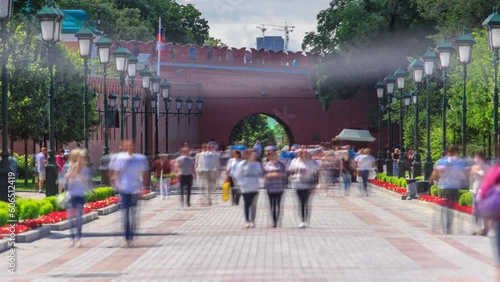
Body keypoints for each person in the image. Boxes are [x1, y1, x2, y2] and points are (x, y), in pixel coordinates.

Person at [109, 140, 149, 247]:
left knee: (134, 215)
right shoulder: (121, 158)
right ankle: (127, 238)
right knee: (126, 215)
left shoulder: (139, 158)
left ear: (134, 146)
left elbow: (145, 172)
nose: (129, 147)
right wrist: (117, 185)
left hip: (135, 189)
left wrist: (144, 187)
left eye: (131, 145)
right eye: (127, 145)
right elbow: (116, 173)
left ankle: (132, 234)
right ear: (124, 147)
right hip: (124, 189)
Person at [431, 145, 469, 234]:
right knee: (450, 206)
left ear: (447, 152)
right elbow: (462, 176)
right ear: (455, 152)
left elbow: (435, 173)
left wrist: (433, 179)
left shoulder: (440, 161)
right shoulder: (458, 162)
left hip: (443, 187)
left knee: (446, 205)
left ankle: (445, 223)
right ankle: (448, 226)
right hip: (454, 187)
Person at [64, 148, 93, 248]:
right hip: (71, 196)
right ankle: (72, 239)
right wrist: (71, 174)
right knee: (71, 218)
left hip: (80, 196)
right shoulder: (70, 167)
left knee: (78, 219)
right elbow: (66, 178)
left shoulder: (85, 169)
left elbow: (87, 182)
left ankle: (78, 239)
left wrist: (80, 178)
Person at [288, 149, 318, 228]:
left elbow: (315, 174)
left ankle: (305, 220)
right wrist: (290, 178)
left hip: (308, 185)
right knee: (300, 202)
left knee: (306, 202)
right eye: (302, 153)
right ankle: (302, 220)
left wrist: (314, 185)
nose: (304, 155)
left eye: (306, 153)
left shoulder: (311, 162)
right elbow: (290, 171)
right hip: (297, 184)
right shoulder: (295, 161)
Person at [234, 149, 262, 228]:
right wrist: (240, 184)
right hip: (245, 187)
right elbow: (237, 175)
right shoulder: (241, 164)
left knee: (253, 205)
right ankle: (247, 221)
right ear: (246, 155)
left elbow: (260, 174)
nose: (252, 156)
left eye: (253, 154)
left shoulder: (256, 164)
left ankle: (252, 221)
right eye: (250, 154)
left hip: (254, 187)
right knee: (246, 204)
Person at [262, 146, 286, 227]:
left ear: (276, 155)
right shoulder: (266, 165)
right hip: (270, 187)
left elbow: (285, 174)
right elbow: (263, 175)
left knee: (278, 204)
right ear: (268, 157)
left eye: (273, 155)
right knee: (272, 204)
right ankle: (274, 221)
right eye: (270, 155)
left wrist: (278, 174)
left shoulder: (281, 164)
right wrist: (269, 175)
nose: (272, 156)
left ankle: (277, 219)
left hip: (279, 186)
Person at [469, 152, 490, 236]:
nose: (476, 159)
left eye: (477, 157)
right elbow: (471, 179)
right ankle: (474, 228)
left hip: (484, 191)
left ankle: (485, 229)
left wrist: (481, 176)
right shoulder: (473, 168)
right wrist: (470, 187)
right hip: (475, 190)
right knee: (475, 210)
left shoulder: (487, 168)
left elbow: (489, 179)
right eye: (475, 157)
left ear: (481, 158)